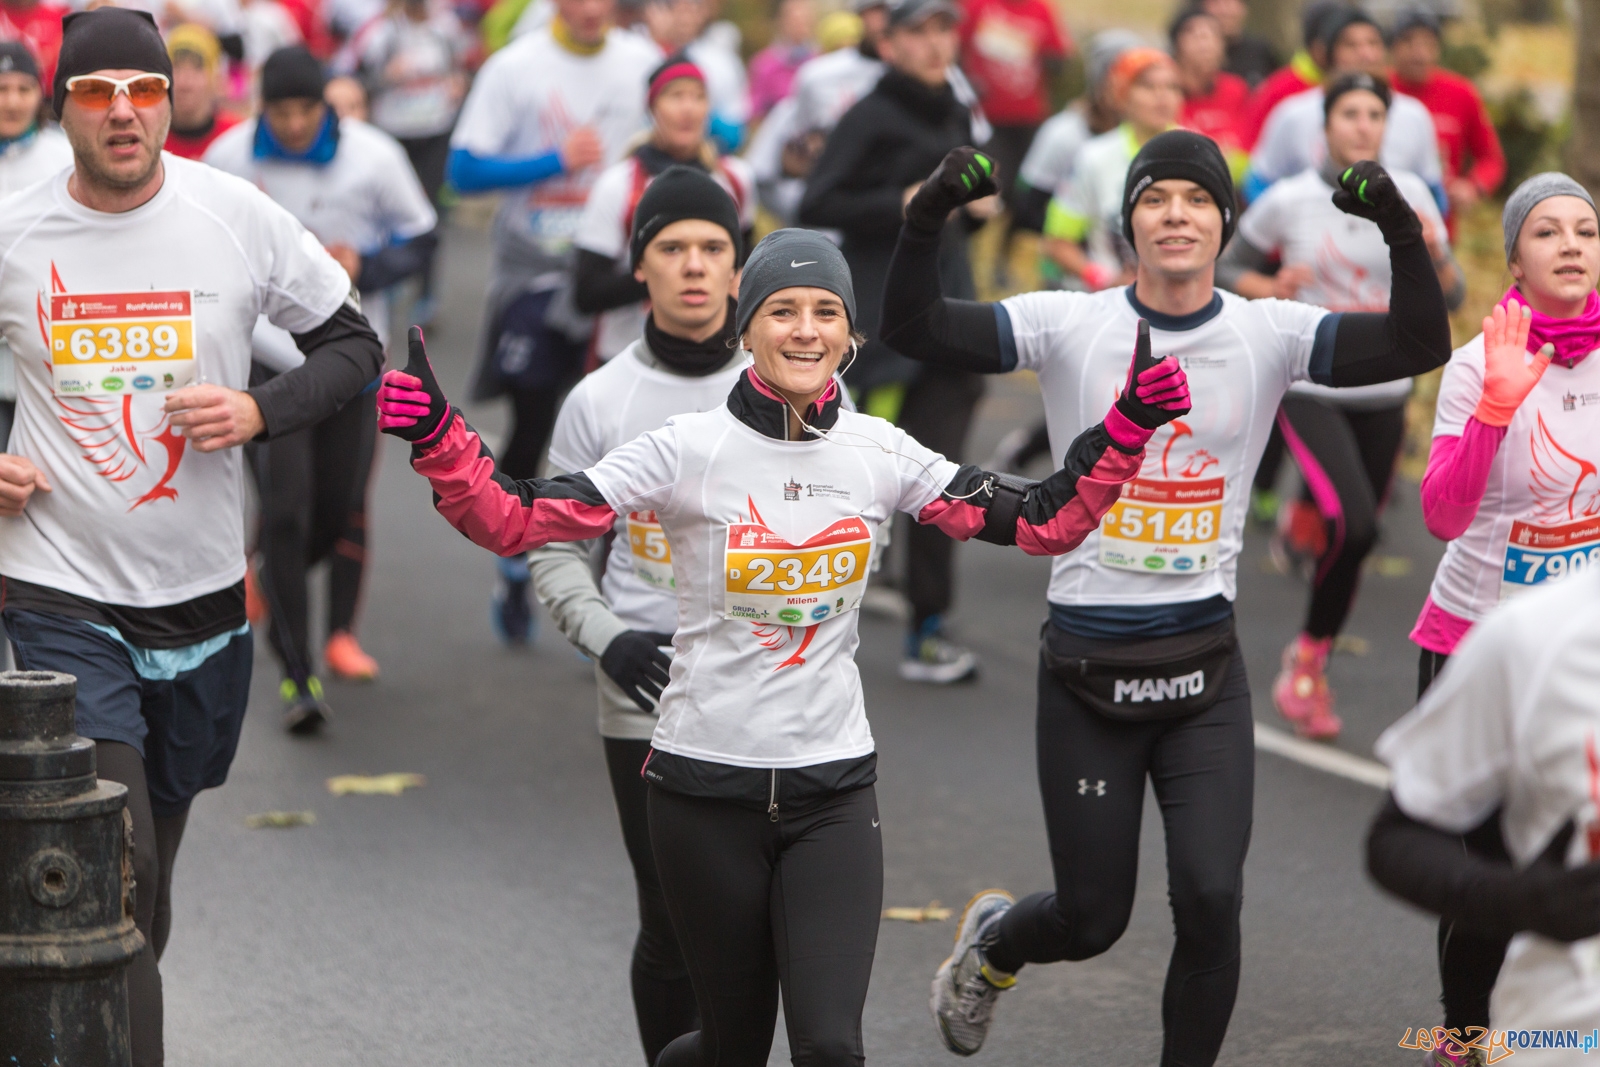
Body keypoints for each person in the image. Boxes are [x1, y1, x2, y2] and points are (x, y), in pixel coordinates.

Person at [378, 223, 1190, 1067]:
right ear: (747, 331)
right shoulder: (686, 449)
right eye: (783, 310)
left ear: (851, 335)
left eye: (827, 311)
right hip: (701, 789)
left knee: (832, 1048)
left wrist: (1127, 425)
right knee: (731, 1050)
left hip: (832, 791)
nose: (807, 328)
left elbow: (1041, 519)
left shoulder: (882, 449)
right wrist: (441, 437)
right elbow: (518, 516)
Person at [879, 137, 1452, 1064]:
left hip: (1202, 673)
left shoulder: (1269, 332)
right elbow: (914, 328)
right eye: (1157, 198)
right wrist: (925, 215)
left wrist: (1397, 225)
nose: (1177, 213)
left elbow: (1420, 342)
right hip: (1087, 672)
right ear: (1130, 223)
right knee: (1090, 916)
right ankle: (994, 944)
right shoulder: (1070, 324)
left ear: (1226, 223)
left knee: (1213, 898)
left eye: (1198, 198)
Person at [0, 9, 383, 1064]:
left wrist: (262, 411)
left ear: (172, 99)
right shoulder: (16, 234)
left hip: (206, 601)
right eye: (95, 90)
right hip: (58, 591)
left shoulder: (235, 216)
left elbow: (355, 346)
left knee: (143, 896)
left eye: (144, 87)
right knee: (110, 870)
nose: (122, 109)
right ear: (60, 103)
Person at [531, 166, 746, 1066]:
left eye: (712, 248)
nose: (693, 266)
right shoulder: (600, 401)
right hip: (645, 689)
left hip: (773, 684)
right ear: (641, 269)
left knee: (753, 912)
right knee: (669, 910)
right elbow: (552, 546)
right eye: (672, 249)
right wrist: (608, 636)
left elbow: (860, 529)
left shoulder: (804, 389)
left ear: (740, 270)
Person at [1406, 173, 1600, 1066]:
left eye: (1587, 230)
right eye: (1548, 230)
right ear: (1515, 254)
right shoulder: (1481, 361)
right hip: (1478, 641)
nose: (1571, 243)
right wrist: (1497, 406)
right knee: (1489, 863)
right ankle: (1464, 1033)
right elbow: (1442, 515)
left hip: (1580, 649)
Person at [1217, 72, 1462, 740]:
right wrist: (1267, 282)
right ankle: (1306, 645)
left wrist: (1433, 263)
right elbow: (1225, 268)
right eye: (1349, 113)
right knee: (1355, 526)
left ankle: (1311, 655)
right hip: (1311, 381)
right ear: (1323, 125)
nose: (1362, 125)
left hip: (1386, 390)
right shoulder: (1291, 199)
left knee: (1353, 534)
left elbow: (1453, 291)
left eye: (1374, 114)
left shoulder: (1411, 195)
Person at [204, 45, 436, 725]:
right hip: (264, 361)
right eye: (282, 111)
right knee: (285, 509)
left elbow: (423, 238)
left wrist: (368, 263)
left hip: (351, 359)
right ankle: (298, 673)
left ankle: (265, 581)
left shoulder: (373, 156)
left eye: (307, 110)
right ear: (262, 109)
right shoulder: (230, 158)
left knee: (336, 513)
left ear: (326, 108)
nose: (296, 123)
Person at [799, 0, 998, 684]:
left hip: (946, 307)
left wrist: (971, 212)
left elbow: (954, 216)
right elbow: (817, 203)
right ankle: (803, 601)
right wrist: (905, 199)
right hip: (882, 322)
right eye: (919, 31)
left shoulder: (955, 108)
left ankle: (929, 624)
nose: (936, 43)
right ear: (889, 42)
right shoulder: (869, 114)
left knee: (943, 467)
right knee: (852, 464)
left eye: (945, 29)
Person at [445, 0, 655, 646]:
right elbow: (462, 171)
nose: (591, 10)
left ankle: (613, 588)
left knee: (619, 435)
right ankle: (512, 563)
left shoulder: (643, 62)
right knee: (535, 421)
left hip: (613, 279)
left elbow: (706, 130)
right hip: (534, 274)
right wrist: (551, 162)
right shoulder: (517, 67)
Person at [1368, 567, 1600, 1066]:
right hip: (1567, 1036)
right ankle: (1465, 1038)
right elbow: (1397, 835)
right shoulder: (1534, 639)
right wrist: (1513, 900)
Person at [572, 54, 754, 363]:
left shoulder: (736, 178)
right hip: (625, 355)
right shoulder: (617, 184)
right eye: (675, 96)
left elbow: (746, 266)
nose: (688, 108)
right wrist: (669, 277)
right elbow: (587, 294)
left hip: (715, 354)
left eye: (698, 97)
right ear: (652, 108)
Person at [340, 0, 471, 324]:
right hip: (394, 137)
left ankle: (427, 294)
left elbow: (463, 69)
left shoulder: (446, 28)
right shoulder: (381, 33)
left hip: (435, 132)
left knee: (428, 216)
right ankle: (392, 278)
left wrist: (459, 83)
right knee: (390, 214)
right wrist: (387, 76)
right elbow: (352, 84)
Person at [1245, 8, 1444, 206]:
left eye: (1373, 43)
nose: (1366, 54)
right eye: (1351, 45)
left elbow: (1434, 194)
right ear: (1326, 54)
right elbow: (1257, 183)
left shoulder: (1413, 114)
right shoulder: (1293, 113)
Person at [1041, 47, 1180, 292]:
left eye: (1171, 87)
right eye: (1148, 86)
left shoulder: (1199, 152)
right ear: (1122, 96)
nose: (1162, 96)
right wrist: (1102, 279)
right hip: (1112, 302)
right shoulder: (1093, 157)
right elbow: (1057, 243)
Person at [955, 0, 1070, 282]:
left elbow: (1058, 55)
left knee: (1023, 193)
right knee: (990, 186)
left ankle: (1001, 259)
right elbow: (954, 47)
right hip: (986, 120)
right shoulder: (976, 6)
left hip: (1029, 118)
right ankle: (969, 255)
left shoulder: (1040, 10)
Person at [0, 41, 69, 450]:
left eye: (23, 89)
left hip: (49, 346)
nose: (11, 101)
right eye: (1, 88)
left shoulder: (63, 158)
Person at [1389, 6, 1505, 228]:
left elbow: (1491, 160)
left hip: (1439, 226)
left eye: (1428, 44)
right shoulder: (1377, 91)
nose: (1419, 53)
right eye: (1408, 42)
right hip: (1382, 224)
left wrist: (1474, 187)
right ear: (1393, 46)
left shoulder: (1461, 93)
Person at [1236, 0, 1341, 149]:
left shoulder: (1376, 81)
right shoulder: (1280, 89)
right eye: (1345, 43)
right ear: (1316, 45)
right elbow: (1250, 148)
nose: (1364, 54)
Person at [1171, 8, 1248, 179]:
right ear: (1177, 43)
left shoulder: (1236, 89)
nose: (1205, 43)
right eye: (1195, 35)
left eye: (1213, 35)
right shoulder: (1166, 92)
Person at [162, 24, 240, 160]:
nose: (184, 83)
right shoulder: (149, 137)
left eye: (197, 69)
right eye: (176, 68)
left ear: (216, 80)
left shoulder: (236, 137)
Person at [746, 0, 814, 120]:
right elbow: (755, 111)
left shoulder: (817, 61)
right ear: (782, 22)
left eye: (804, 21)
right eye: (794, 21)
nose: (799, 27)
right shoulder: (764, 64)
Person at [1200, 0, 1277, 88]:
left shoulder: (1260, 51)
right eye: (1216, 3)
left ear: (1243, 8)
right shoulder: (1190, 54)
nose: (1224, 11)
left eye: (1229, 3)